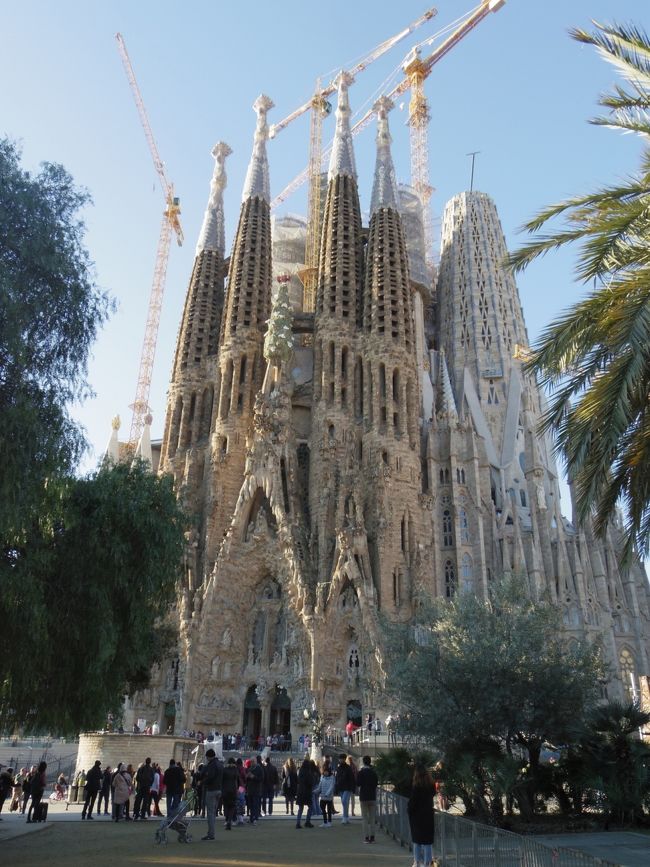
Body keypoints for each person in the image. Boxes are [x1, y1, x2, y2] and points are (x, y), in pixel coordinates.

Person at [407, 764, 435, 867]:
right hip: (428, 815)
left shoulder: (416, 787)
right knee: (427, 841)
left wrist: (409, 810)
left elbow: (412, 803)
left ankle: (417, 861)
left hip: (417, 817)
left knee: (417, 840)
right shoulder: (431, 786)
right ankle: (427, 863)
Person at [201, 747, 223, 841]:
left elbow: (210, 777)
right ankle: (211, 833)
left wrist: (203, 781)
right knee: (213, 812)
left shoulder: (212, 765)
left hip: (212, 790)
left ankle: (211, 834)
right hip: (219, 789)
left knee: (210, 813)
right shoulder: (220, 764)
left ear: (209, 757)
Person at [357, 754, 378, 844]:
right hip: (372, 796)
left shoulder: (361, 773)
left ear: (363, 762)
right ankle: (372, 837)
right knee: (372, 818)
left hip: (364, 796)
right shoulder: (373, 773)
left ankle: (366, 837)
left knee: (365, 818)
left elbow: (358, 783)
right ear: (370, 762)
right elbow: (376, 784)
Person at [334, 753, 355, 823]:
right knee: (344, 802)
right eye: (340, 759)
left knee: (344, 801)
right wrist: (336, 787)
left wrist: (353, 788)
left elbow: (352, 778)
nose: (341, 760)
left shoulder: (348, 768)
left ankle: (344, 817)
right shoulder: (339, 768)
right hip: (340, 787)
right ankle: (346, 817)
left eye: (342, 758)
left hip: (347, 787)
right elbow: (337, 778)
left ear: (344, 759)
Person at [295, 757, 314, 829]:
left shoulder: (300, 771)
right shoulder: (308, 772)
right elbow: (310, 782)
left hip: (300, 791)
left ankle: (298, 823)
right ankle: (307, 821)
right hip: (307, 792)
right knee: (310, 807)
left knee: (300, 808)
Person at [221, 757, 239, 830]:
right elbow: (237, 780)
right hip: (233, 790)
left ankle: (226, 819)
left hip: (225, 790)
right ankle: (229, 820)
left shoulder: (224, 770)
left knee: (226, 806)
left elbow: (221, 780)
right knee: (232, 806)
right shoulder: (235, 770)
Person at [317, 759, 335, 827]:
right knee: (322, 808)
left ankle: (329, 822)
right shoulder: (322, 777)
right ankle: (325, 822)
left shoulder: (332, 777)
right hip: (323, 797)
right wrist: (316, 791)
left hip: (329, 797)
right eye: (324, 772)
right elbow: (320, 786)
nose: (325, 773)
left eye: (326, 772)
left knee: (329, 810)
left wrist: (327, 793)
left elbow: (331, 786)